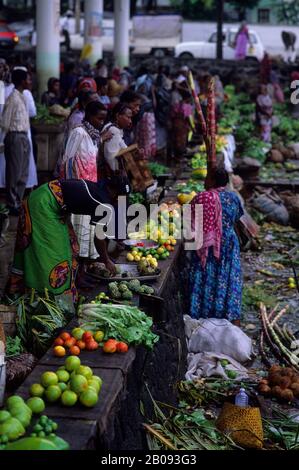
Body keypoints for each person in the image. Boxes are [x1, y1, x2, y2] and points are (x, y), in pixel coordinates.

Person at [7, 175, 130, 299]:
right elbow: (98, 238)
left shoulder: (101, 189)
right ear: (116, 193)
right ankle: (47, 295)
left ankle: (76, 280)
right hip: (42, 205)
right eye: (123, 197)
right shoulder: (103, 202)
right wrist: (106, 260)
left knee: (72, 246)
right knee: (54, 254)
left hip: (51, 202)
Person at [189, 168, 243, 325]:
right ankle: (227, 316)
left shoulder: (202, 198)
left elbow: (189, 221)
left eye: (207, 178)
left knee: (206, 276)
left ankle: (203, 316)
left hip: (207, 246)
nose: (204, 182)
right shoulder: (233, 197)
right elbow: (238, 215)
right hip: (229, 244)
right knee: (227, 277)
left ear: (212, 180)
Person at [61, 101, 112, 262]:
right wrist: (70, 188)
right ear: (89, 116)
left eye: (104, 119)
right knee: (77, 232)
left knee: (89, 232)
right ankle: (78, 272)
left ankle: (86, 268)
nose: (101, 122)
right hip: (78, 189)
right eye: (99, 118)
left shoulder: (93, 135)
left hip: (90, 188)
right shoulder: (78, 132)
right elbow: (67, 161)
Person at [1, 69, 31, 216]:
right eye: (28, 79)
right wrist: (3, 139)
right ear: (22, 81)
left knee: (23, 173)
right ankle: (12, 203)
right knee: (14, 172)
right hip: (15, 136)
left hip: (23, 136)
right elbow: (5, 120)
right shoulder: (12, 98)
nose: (30, 82)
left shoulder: (22, 97)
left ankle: (17, 201)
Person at [101, 102, 133, 174]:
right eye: (128, 117)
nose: (130, 121)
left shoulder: (113, 128)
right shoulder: (113, 130)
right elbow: (111, 158)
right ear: (118, 116)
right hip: (112, 175)